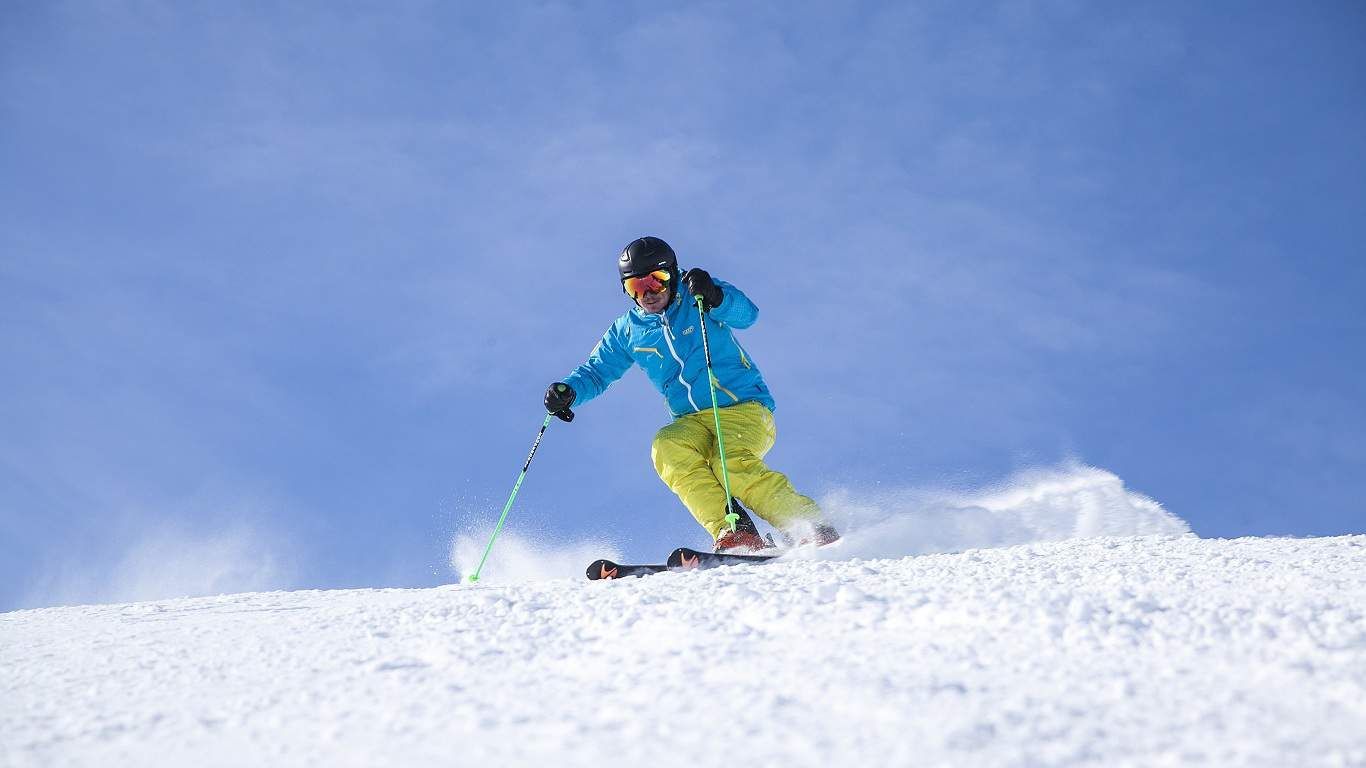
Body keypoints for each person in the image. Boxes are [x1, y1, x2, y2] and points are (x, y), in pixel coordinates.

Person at [544, 235, 839, 553]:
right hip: (691, 421)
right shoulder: (628, 330)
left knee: (729, 464)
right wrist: (570, 391)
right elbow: (597, 371)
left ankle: (808, 525)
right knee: (667, 447)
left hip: (743, 407)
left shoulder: (696, 293)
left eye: (655, 282)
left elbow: (746, 315)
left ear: (671, 273)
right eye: (636, 288)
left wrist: (715, 295)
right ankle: (735, 531)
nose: (648, 294)